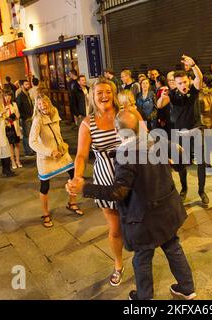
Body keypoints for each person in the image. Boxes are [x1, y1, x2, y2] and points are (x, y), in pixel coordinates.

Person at [66, 110, 196, 301]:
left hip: (145, 218)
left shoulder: (125, 155)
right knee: (173, 248)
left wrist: (85, 187)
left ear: (118, 131)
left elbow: (118, 193)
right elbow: (182, 158)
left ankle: (144, 298)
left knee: (142, 258)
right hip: (167, 210)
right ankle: (187, 288)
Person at [72, 78, 125, 286]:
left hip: (130, 175)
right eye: (99, 93)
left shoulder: (125, 114)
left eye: (107, 92)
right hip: (105, 179)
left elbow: (145, 139)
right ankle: (118, 265)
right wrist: (78, 176)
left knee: (137, 221)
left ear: (113, 93)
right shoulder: (88, 123)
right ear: (92, 97)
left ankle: (142, 261)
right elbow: (81, 156)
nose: (104, 96)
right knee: (115, 228)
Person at [157, 55, 209, 207]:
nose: (183, 85)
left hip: (196, 131)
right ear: (175, 84)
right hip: (179, 134)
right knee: (181, 164)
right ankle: (184, 188)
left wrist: (193, 65)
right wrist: (162, 97)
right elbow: (160, 105)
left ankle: (201, 191)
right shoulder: (171, 94)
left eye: (185, 81)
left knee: (201, 163)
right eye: (180, 83)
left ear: (189, 80)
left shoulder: (193, 90)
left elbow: (199, 77)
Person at [29, 93, 83, 228]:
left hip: (61, 153)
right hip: (46, 158)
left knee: (74, 174)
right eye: (40, 104)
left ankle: (72, 203)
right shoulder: (37, 120)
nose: (43, 106)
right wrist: (49, 152)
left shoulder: (54, 113)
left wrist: (63, 144)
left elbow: (57, 134)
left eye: (45, 102)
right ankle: (45, 214)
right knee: (45, 186)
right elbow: (32, 142)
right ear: (37, 106)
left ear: (49, 102)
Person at [3, 89, 23, 169]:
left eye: (9, 96)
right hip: (8, 127)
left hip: (15, 126)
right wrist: (7, 118)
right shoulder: (2, 106)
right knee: (10, 145)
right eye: (6, 96)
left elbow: (18, 115)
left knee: (17, 144)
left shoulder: (14, 104)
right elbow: (2, 117)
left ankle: (18, 160)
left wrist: (13, 117)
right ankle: (13, 161)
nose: (8, 98)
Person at [16, 80, 35, 157]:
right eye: (26, 84)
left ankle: (31, 149)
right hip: (25, 119)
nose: (28, 85)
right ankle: (27, 151)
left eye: (28, 84)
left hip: (31, 117)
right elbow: (18, 109)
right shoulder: (20, 96)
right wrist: (25, 117)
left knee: (31, 135)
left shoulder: (27, 94)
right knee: (26, 135)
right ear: (21, 86)